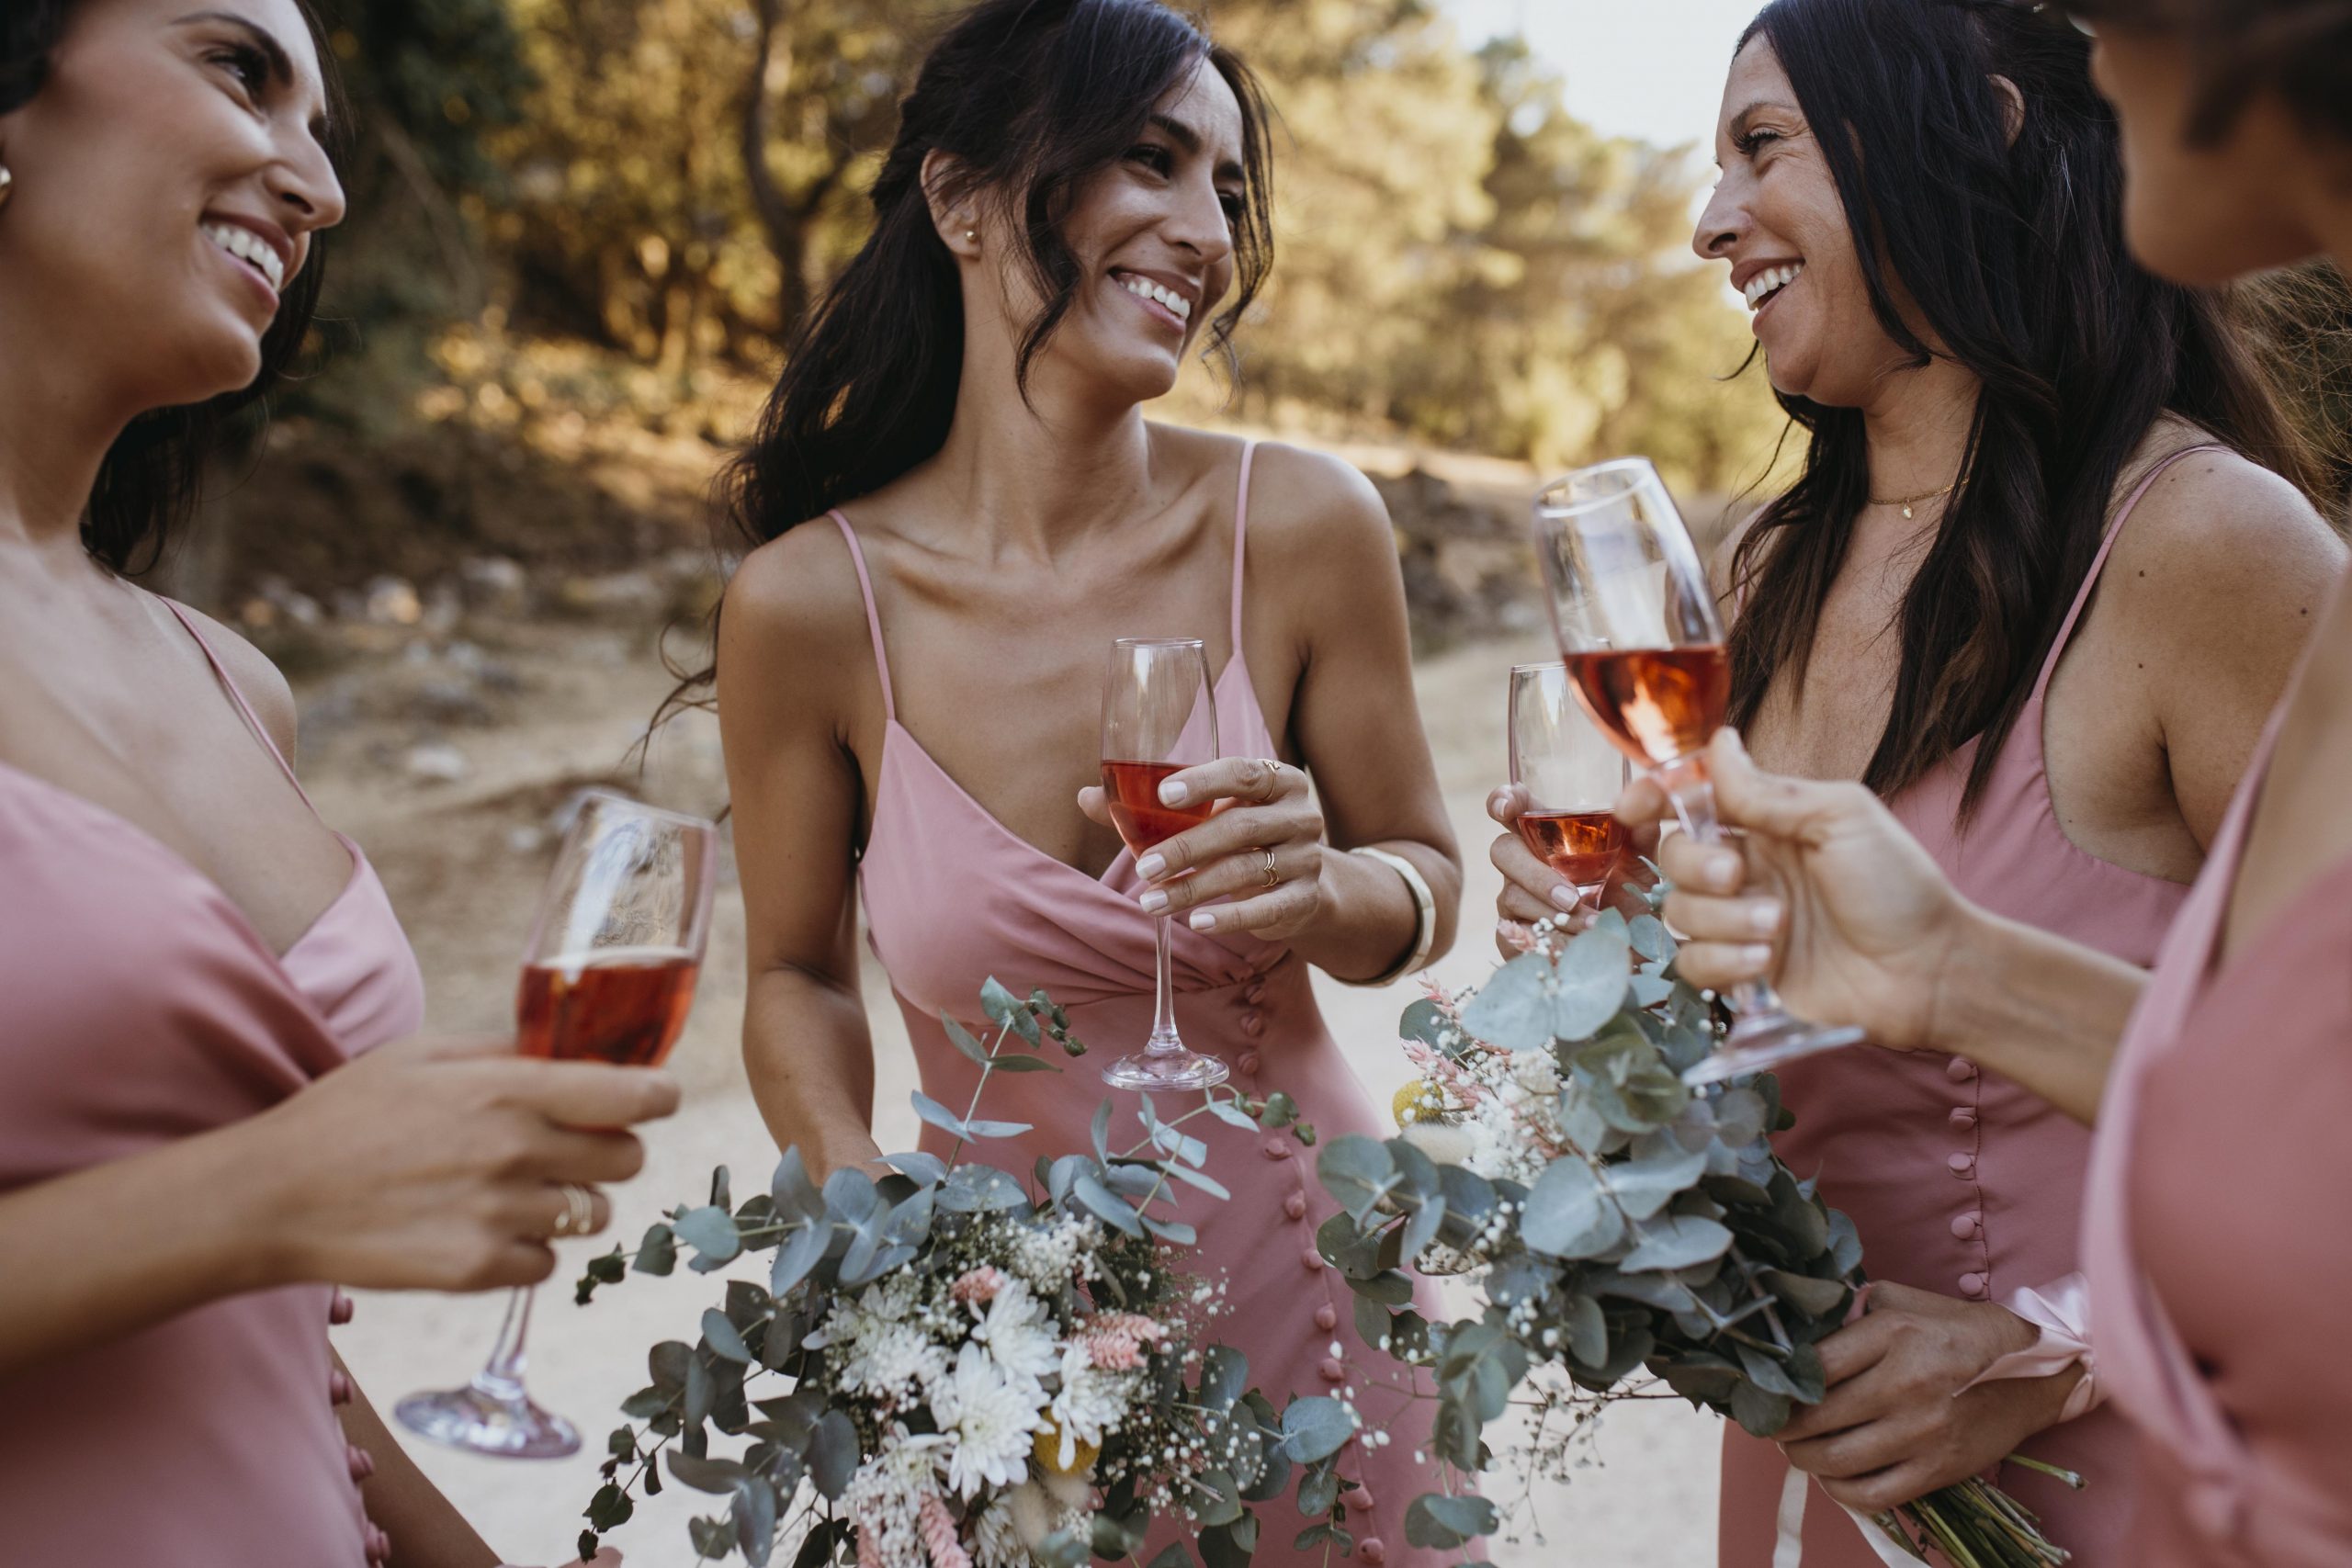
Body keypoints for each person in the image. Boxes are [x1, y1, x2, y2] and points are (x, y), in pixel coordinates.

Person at [1487, 2, 2342, 1562]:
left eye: (1764, 146)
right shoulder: (1766, 586)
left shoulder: (2213, 548)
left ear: (1988, 128)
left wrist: (2046, 1348)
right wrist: (1589, 951)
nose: (1706, 224)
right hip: (1834, 1491)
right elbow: (1722, 1048)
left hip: (2125, 1477)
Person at [699, 2, 1463, 1561]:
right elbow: (791, 977)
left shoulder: (1307, 527)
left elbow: (1426, 885)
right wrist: (868, 1232)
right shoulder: (808, 606)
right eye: (1150, 160)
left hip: (1309, 1309)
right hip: (996, 1351)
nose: (1205, 231)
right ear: (963, 196)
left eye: (1229, 190)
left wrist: (1330, 889)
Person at [0, 4, 672, 1563]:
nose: (321, 187)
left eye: (322, 122)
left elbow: (267, 1360)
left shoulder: (239, 686)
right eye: (241, 68)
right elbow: (265, 1212)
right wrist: (265, 1193)